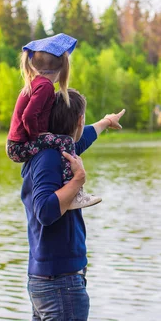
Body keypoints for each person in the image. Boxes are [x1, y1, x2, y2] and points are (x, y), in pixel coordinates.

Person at [22, 89, 124, 320]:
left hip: (50, 281)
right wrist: (78, 180)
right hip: (60, 283)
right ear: (79, 120)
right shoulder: (49, 158)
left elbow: (83, 137)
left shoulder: (53, 149)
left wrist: (106, 122)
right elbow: (45, 211)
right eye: (83, 119)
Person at [7, 33, 101, 209]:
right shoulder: (46, 86)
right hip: (18, 147)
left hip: (15, 145)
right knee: (66, 141)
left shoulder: (35, 83)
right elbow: (28, 116)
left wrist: (105, 122)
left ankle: (72, 190)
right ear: (63, 67)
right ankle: (73, 193)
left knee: (59, 141)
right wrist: (38, 136)